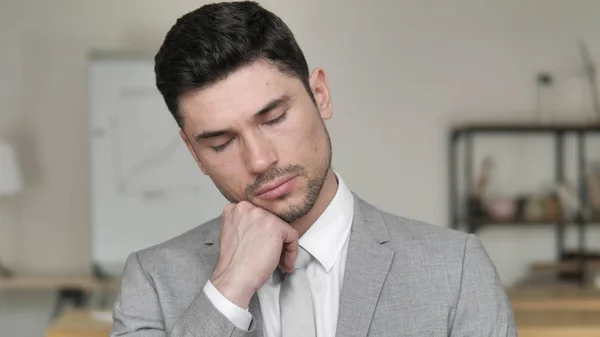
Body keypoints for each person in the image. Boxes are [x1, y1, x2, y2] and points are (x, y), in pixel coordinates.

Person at [110, 2, 517, 336]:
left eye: (273, 119)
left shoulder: (455, 269)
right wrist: (228, 289)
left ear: (320, 94)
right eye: (222, 143)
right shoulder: (152, 280)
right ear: (194, 153)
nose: (259, 160)